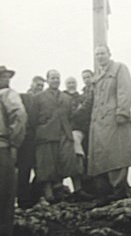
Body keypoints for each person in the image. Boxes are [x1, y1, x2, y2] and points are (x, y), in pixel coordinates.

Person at [88, 45, 131, 201]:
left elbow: (126, 89)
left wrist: (122, 111)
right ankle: (105, 191)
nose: (100, 57)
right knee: (103, 155)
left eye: (102, 53)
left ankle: (119, 188)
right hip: (99, 122)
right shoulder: (98, 76)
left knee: (117, 153)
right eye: (97, 55)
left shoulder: (119, 68)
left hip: (114, 119)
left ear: (109, 54)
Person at [33, 70, 81, 203]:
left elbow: (71, 116)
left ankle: (77, 191)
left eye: (57, 78)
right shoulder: (38, 97)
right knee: (47, 165)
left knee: (69, 161)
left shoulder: (66, 98)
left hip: (64, 133)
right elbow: (34, 117)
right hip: (46, 135)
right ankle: (49, 195)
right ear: (47, 80)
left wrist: (68, 128)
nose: (56, 80)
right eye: (53, 78)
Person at [0, 66, 27, 236]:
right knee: (5, 198)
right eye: (3, 76)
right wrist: (15, 143)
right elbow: (20, 116)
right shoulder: (7, 94)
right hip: (3, 149)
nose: (7, 79)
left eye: (8, 76)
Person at [17, 76, 45, 208]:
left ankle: (35, 195)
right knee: (25, 168)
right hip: (27, 138)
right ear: (31, 84)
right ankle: (23, 199)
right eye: (37, 85)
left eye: (41, 86)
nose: (39, 87)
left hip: (40, 138)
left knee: (41, 168)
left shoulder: (43, 99)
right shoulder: (23, 97)